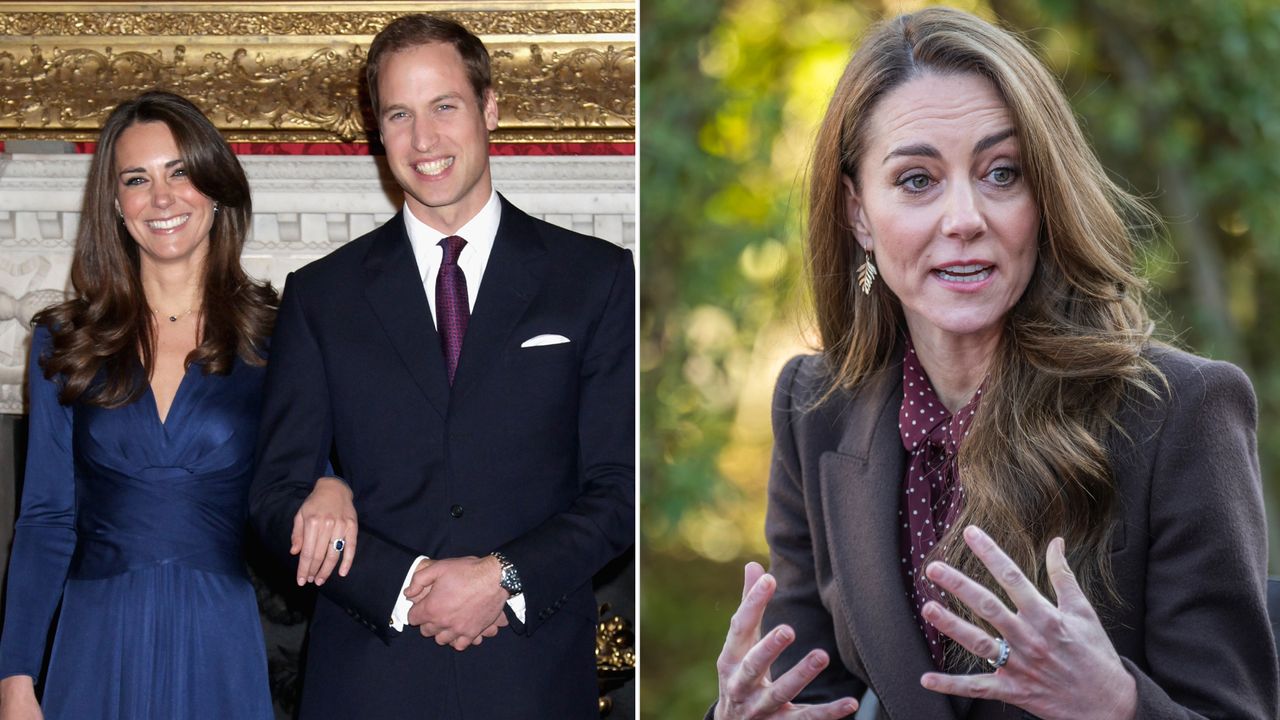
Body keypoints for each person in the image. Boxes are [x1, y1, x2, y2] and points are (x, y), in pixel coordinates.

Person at [710, 7, 1278, 720]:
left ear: (1044, 195)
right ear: (859, 213)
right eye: (917, 180)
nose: (964, 218)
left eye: (1001, 172)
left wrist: (1118, 707)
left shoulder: (1183, 414)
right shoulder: (814, 409)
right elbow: (809, 691)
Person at [249, 13, 634, 720]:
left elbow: (620, 489)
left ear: (490, 110)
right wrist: (402, 584)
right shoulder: (320, 296)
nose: (424, 140)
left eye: (444, 107)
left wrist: (504, 578)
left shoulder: (596, 279)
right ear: (378, 131)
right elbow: (274, 496)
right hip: (368, 678)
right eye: (399, 114)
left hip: (535, 678)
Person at [0, 91, 353, 719]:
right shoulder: (65, 340)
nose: (162, 199)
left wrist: (335, 487)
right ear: (115, 203)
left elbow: (310, 475)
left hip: (217, 638)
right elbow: (46, 521)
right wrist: (16, 678)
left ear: (214, 190)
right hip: (94, 639)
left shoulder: (276, 338)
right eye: (138, 179)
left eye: (180, 172)